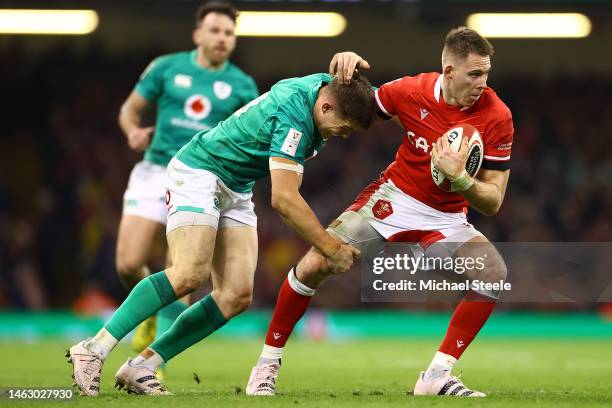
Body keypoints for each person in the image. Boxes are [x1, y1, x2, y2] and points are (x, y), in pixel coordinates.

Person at [67, 72, 376, 396]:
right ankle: (93, 348)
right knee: (189, 273)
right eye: (344, 127)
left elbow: (358, 90)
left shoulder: (324, 86)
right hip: (201, 171)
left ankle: (143, 366)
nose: (342, 136)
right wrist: (331, 247)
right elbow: (283, 199)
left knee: (235, 295)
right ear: (326, 108)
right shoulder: (295, 117)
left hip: (236, 186)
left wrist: (351, 62)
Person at [246, 27, 514, 398]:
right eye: (474, 74)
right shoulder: (409, 91)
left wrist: (464, 181)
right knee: (313, 265)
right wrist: (346, 71)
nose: (482, 83)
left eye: (485, 73)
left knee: (492, 273)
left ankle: (436, 375)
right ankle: (267, 364)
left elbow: (494, 200)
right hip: (392, 200)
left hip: (446, 216)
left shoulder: (497, 116)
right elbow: (352, 106)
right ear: (448, 71)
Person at [116, 2, 258, 355]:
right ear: (198, 34)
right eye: (215, 30)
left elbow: (253, 132)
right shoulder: (166, 68)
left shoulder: (242, 85)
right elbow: (129, 110)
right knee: (128, 262)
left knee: (182, 271)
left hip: (201, 179)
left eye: (229, 33)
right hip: (155, 170)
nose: (222, 38)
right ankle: (148, 310)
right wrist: (132, 131)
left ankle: (153, 364)